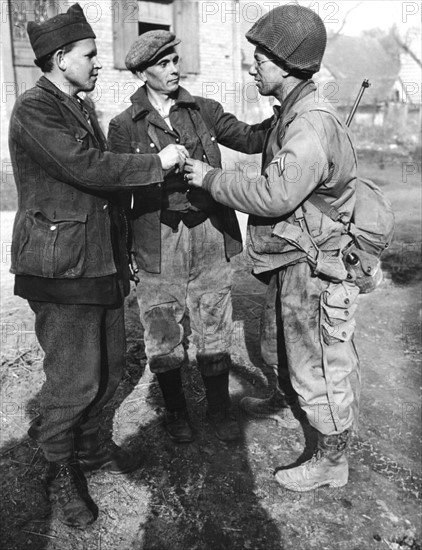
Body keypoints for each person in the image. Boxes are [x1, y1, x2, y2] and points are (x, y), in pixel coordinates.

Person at [9, 4, 188, 529]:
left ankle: (91, 450)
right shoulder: (34, 109)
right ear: (60, 58)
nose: (98, 64)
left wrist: (124, 253)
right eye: (89, 56)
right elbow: (88, 168)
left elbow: (102, 192)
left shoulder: (77, 104)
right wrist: (160, 162)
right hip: (62, 269)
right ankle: (61, 473)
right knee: (72, 383)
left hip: (98, 263)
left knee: (108, 368)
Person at [185, 4, 360, 492]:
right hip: (293, 253)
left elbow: (274, 193)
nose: (251, 66)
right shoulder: (291, 113)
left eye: (259, 59)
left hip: (312, 262)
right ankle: (289, 404)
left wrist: (210, 178)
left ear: (285, 64)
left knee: (318, 361)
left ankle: (331, 461)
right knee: (280, 347)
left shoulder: (309, 124)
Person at [108, 30, 271, 444]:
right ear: (143, 72)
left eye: (175, 60)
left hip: (209, 232)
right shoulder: (124, 125)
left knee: (215, 317)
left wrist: (287, 113)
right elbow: (115, 190)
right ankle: (177, 413)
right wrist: (123, 247)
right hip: (156, 234)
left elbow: (251, 138)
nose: (174, 68)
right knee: (161, 325)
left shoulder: (204, 110)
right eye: (163, 63)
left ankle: (218, 409)